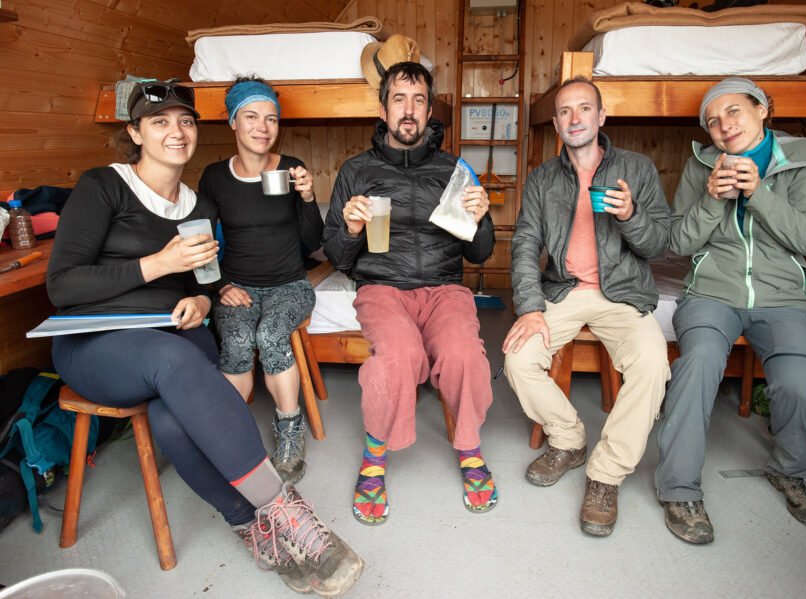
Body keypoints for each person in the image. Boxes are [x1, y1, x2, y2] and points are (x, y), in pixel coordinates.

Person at [46, 81, 362, 595]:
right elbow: (61, 284)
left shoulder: (197, 203)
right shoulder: (104, 185)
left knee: (180, 407)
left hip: (171, 331)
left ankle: (249, 526)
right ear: (135, 132)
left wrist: (202, 299)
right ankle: (284, 510)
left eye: (186, 121)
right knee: (175, 362)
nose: (177, 131)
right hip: (97, 341)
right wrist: (157, 264)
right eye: (161, 122)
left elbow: (204, 278)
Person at [655, 77, 806, 544]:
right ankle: (678, 488)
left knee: (801, 383)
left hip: (783, 298)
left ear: (761, 110)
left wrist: (760, 194)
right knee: (696, 366)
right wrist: (713, 199)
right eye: (713, 121)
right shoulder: (701, 166)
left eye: (733, 111)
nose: (723, 125)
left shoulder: (805, 161)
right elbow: (678, 242)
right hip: (711, 293)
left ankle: (793, 470)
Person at [322, 61, 497, 525]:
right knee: (398, 358)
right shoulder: (356, 171)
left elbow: (481, 253)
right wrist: (353, 228)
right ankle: (375, 456)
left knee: (465, 356)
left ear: (429, 109)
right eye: (399, 99)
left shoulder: (454, 168)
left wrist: (481, 219)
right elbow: (338, 256)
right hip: (383, 286)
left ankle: (470, 447)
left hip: (444, 288)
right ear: (383, 109)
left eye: (418, 100)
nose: (409, 110)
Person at [503, 76, 671, 537]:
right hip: (564, 291)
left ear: (601, 117)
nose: (575, 118)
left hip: (623, 292)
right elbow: (524, 244)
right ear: (556, 123)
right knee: (518, 358)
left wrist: (631, 216)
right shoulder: (542, 179)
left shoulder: (636, 169)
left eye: (584, 109)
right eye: (565, 111)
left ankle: (605, 475)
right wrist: (530, 306)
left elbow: (662, 242)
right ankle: (569, 439)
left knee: (653, 364)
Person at [199, 76, 323, 482]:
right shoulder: (215, 177)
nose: (262, 127)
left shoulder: (292, 170)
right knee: (234, 340)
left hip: (290, 284)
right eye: (251, 116)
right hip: (238, 285)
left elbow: (313, 243)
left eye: (271, 118)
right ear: (233, 121)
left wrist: (306, 199)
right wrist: (220, 286)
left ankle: (290, 434)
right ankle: (232, 440)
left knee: (272, 335)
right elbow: (200, 239)